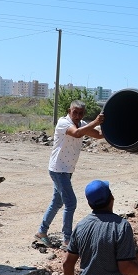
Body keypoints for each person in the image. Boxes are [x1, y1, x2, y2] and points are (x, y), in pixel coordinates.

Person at [35, 100, 105, 249]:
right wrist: (95, 121)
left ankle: (42, 231)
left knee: (57, 202)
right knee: (71, 203)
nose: (77, 116)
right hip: (58, 169)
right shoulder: (63, 123)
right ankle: (67, 240)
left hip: (66, 170)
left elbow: (98, 135)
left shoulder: (82, 124)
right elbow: (77, 134)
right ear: (69, 110)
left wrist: (110, 125)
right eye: (75, 112)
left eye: (80, 113)